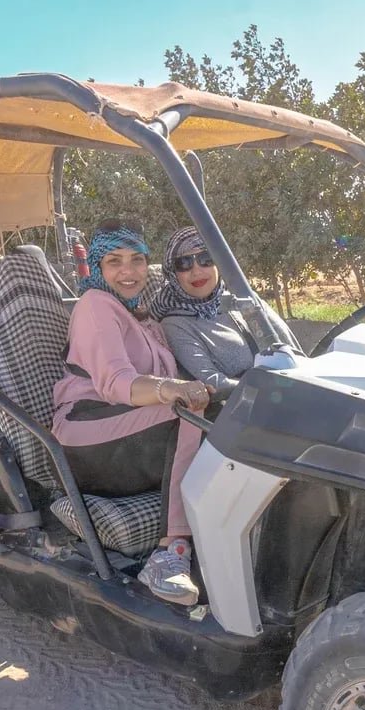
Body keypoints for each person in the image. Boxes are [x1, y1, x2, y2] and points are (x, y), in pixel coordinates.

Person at [51, 220, 211, 606]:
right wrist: (173, 390)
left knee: (214, 413)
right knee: (186, 414)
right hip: (84, 430)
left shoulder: (142, 314)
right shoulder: (96, 306)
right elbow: (115, 383)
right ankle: (168, 556)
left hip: (127, 428)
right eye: (114, 261)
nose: (129, 271)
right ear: (97, 267)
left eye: (137, 260)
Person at [145, 226, 286, 395]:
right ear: (173, 273)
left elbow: (289, 348)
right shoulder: (175, 324)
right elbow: (211, 382)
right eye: (184, 263)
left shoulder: (242, 299)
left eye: (206, 258)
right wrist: (271, 390)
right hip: (244, 407)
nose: (197, 271)